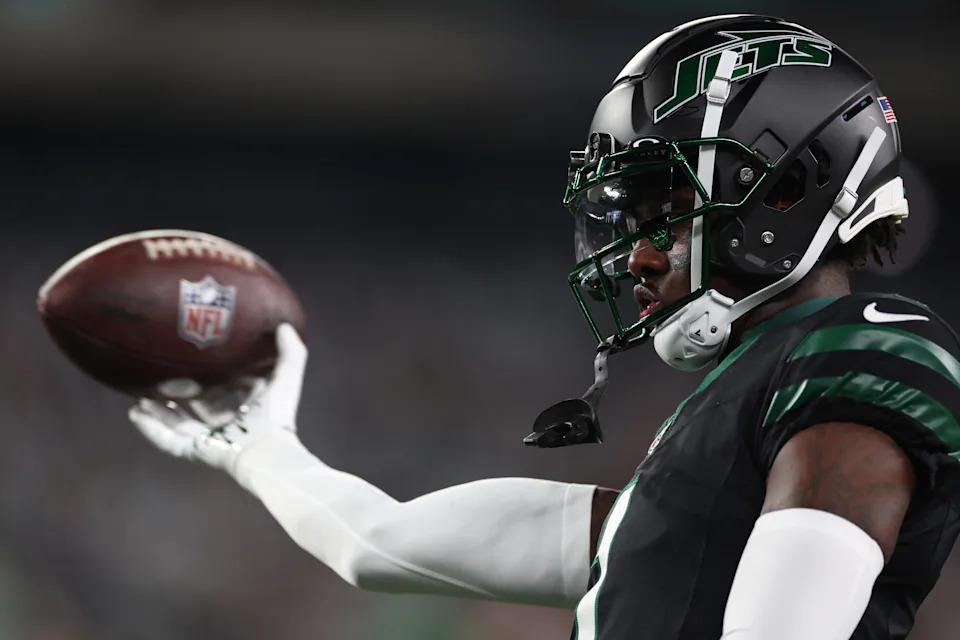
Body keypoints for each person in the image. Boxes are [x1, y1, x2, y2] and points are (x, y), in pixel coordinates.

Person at [128, 14, 960, 640]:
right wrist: (254, 443)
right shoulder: (705, 469)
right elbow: (379, 544)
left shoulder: (864, 349)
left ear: (785, 191)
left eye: (663, 216)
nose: (636, 258)